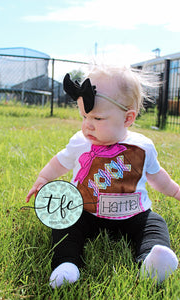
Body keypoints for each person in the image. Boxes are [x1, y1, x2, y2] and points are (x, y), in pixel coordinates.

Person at [26, 65, 180, 289]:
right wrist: (43, 179)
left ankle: (150, 261)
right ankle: (66, 265)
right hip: (85, 212)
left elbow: (157, 175)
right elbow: (60, 161)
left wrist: (176, 191)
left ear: (127, 118)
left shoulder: (142, 146)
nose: (88, 124)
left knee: (155, 224)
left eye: (98, 118)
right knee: (64, 224)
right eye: (84, 116)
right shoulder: (80, 141)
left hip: (133, 215)